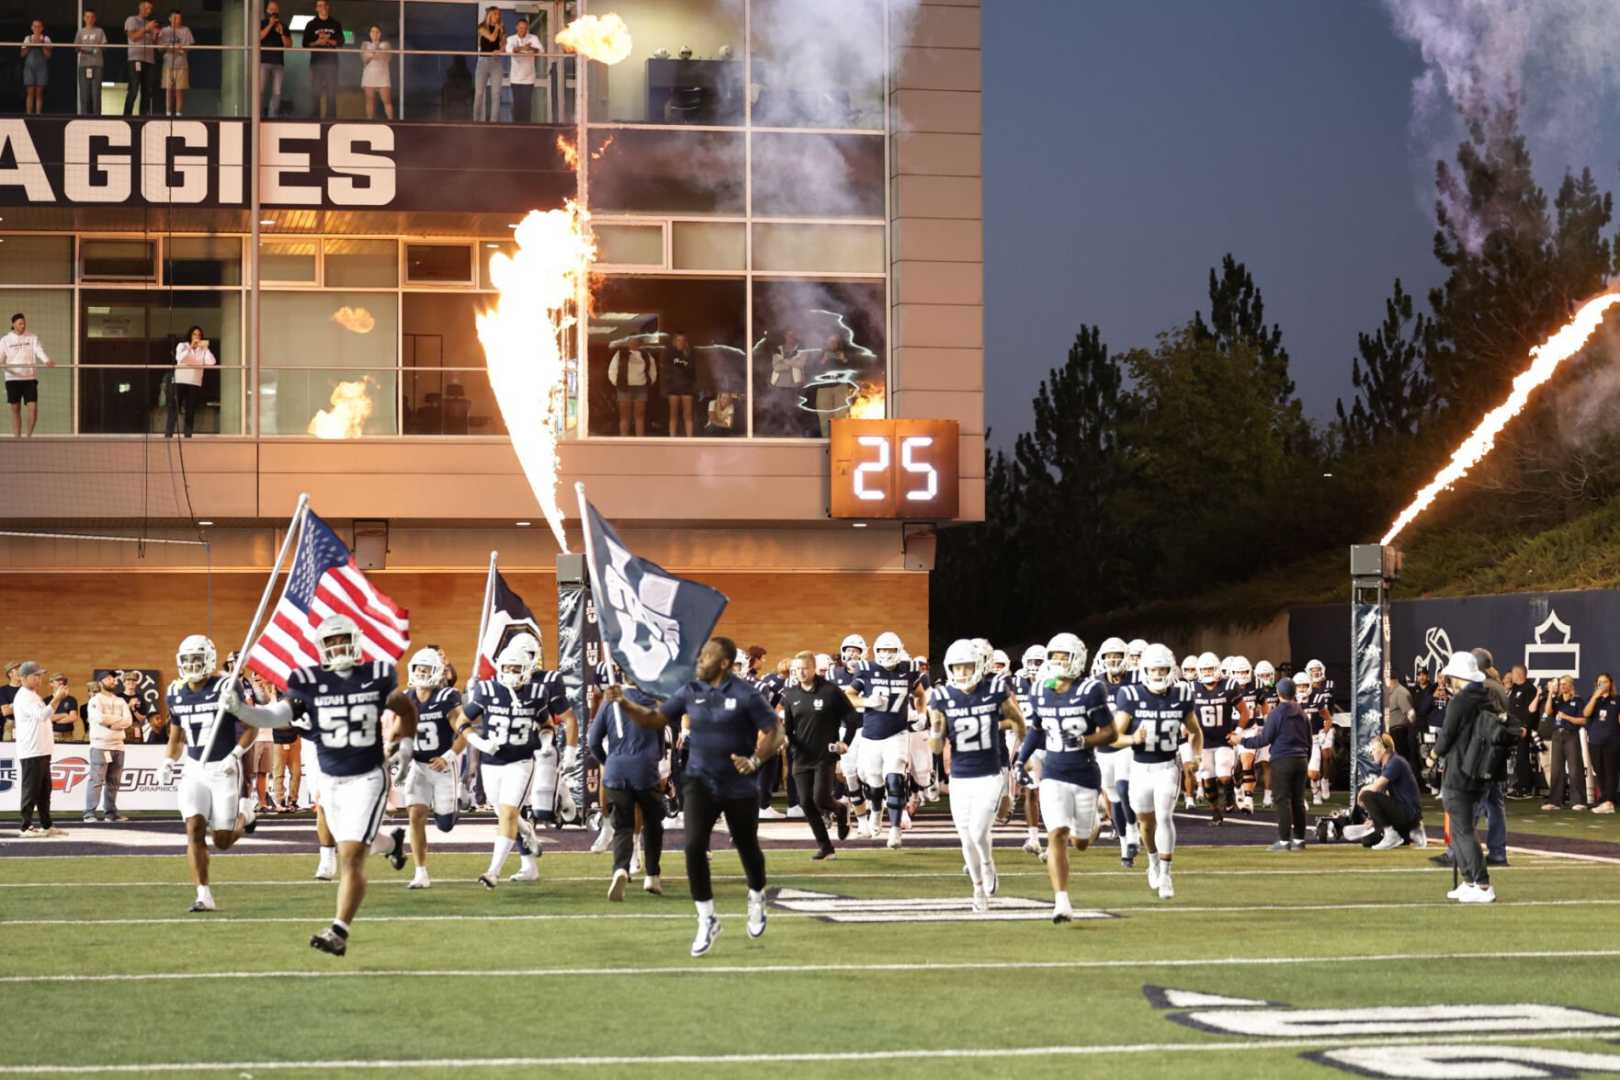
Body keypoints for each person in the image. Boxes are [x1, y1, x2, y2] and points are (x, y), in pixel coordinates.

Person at [223, 614, 415, 954]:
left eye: (344, 639)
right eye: (331, 641)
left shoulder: (376, 677)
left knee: (351, 855)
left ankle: (338, 931)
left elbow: (406, 708)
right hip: (331, 778)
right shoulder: (307, 681)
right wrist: (242, 710)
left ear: (355, 643)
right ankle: (393, 843)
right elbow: (275, 716)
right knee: (355, 846)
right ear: (321, 647)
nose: (338, 646)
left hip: (369, 775)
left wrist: (407, 745)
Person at [606, 636, 784, 958]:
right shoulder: (690, 690)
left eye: (706, 658)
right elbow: (654, 719)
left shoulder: (746, 694)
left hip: (739, 783)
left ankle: (757, 897)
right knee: (693, 847)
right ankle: (706, 917)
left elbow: (776, 731)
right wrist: (624, 703)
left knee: (747, 847)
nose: (699, 662)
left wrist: (756, 760)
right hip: (699, 780)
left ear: (725, 663)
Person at [453, 639, 578, 890]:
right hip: (491, 761)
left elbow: (546, 725)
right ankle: (528, 833)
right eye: (507, 668)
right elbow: (461, 721)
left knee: (509, 813)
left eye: (516, 668)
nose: (511, 673)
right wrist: (477, 741)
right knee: (504, 813)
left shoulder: (536, 692)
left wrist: (545, 741)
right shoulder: (486, 690)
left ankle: (493, 871)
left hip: (520, 761)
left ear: (527, 669)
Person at [1018, 634, 1116, 924]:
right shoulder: (1040, 690)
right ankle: (1061, 902)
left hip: (1084, 772)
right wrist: (1020, 758)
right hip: (1053, 772)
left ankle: (1095, 822)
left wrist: (1085, 740)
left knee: (1080, 841)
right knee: (1057, 832)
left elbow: (1110, 733)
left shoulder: (1091, 690)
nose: (1058, 661)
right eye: (1055, 656)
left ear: (1077, 658)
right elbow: (1036, 729)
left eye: (1064, 656)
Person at [162, 636, 260, 912]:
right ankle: (203, 894)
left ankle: (246, 814)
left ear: (208, 660)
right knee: (193, 828)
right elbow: (176, 735)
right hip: (194, 768)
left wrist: (234, 756)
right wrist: (168, 761)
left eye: (197, 659)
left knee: (223, 841)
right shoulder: (175, 691)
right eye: (187, 659)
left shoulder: (226, 685)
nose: (192, 665)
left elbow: (251, 727)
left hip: (223, 767)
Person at [928, 639, 1025, 912]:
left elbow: (1018, 721)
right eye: (956, 668)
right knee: (965, 836)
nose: (962, 673)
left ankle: (987, 863)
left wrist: (1022, 753)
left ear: (979, 666)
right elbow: (936, 746)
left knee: (978, 830)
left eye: (967, 666)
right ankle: (978, 889)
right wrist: (936, 732)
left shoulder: (995, 689)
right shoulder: (942, 696)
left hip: (990, 772)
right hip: (960, 775)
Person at [1114, 644, 1201, 896]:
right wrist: (1133, 740)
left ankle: (1166, 874)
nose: (1159, 674)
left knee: (1164, 817)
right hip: (1140, 768)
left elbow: (1196, 731)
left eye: (1163, 668)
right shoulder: (1130, 695)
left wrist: (1194, 756)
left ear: (1171, 669)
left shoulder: (1181, 694)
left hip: (1167, 766)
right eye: (1154, 668)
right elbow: (1114, 736)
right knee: (1145, 823)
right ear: (1145, 670)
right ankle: (1152, 861)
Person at [846, 630, 929, 849]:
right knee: (874, 783)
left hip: (897, 734)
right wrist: (866, 702)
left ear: (899, 650)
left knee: (895, 780)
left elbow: (921, 694)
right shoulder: (866, 669)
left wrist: (921, 714)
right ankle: (875, 810)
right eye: (883, 650)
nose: (886, 654)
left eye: (891, 649)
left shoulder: (909, 670)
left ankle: (894, 831)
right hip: (871, 735)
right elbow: (849, 696)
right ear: (876, 651)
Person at [588, 676, 667, 900]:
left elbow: (593, 740)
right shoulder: (655, 701)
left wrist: (609, 761)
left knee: (622, 825)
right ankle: (652, 875)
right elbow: (661, 745)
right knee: (653, 823)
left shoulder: (610, 701)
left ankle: (620, 869)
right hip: (645, 770)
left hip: (616, 770)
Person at [1431, 650, 1496, 903]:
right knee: (1461, 828)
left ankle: (1482, 884)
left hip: (1459, 769)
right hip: (1479, 770)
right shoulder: (1486, 697)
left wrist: (1432, 757)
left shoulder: (1460, 701)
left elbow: (1447, 735)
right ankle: (1470, 881)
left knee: (1463, 830)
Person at [780, 650, 857, 860]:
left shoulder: (830, 691)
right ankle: (826, 847)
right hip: (801, 757)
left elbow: (852, 716)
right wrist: (784, 740)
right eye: (796, 669)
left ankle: (840, 811)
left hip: (825, 755)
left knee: (820, 798)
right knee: (805, 802)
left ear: (813, 668)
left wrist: (845, 742)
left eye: (804, 668)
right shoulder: (790, 695)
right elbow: (787, 728)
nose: (800, 672)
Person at [399, 648, 463, 888]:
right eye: (418, 669)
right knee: (415, 815)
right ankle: (420, 873)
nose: (421, 673)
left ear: (436, 673)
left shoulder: (447, 697)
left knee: (445, 825)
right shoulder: (406, 698)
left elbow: (465, 733)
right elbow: (398, 732)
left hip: (443, 767)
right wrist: (394, 753)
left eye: (426, 669)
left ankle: (458, 797)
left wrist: (448, 756)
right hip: (418, 765)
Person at [1241, 675, 1311, 852]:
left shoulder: (1276, 713)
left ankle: (1284, 841)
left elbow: (1264, 739)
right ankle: (1300, 840)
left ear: (1279, 693)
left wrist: (1242, 741)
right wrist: (1305, 759)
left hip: (1283, 759)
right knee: (1298, 800)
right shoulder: (1302, 713)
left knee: (1281, 800)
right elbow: (1309, 741)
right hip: (1301, 760)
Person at [14, 662, 68, 837]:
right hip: (32, 750)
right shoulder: (24, 696)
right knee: (31, 790)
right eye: (35, 676)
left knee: (44, 791)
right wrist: (57, 697)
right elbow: (42, 715)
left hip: (41, 750)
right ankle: (25, 826)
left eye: (40, 675)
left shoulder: (33, 695)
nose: (39, 679)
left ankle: (47, 825)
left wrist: (56, 699)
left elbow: (47, 715)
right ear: (23, 678)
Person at [1355, 734, 1426, 849]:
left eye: (1374, 749)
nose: (1372, 753)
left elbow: (1375, 789)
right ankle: (1407, 835)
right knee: (1368, 840)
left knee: (1366, 795)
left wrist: (1361, 792)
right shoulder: (1389, 764)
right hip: (1405, 814)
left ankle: (1392, 833)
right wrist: (1373, 819)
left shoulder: (1395, 762)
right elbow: (1381, 796)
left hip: (1408, 813)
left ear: (1384, 749)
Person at [85, 674, 132, 822]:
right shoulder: (95, 700)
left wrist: (111, 723)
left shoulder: (121, 700)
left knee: (114, 782)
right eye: (108, 678)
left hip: (118, 745)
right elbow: (99, 718)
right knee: (96, 780)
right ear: (100, 682)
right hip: (100, 745)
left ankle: (110, 813)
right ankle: (89, 813)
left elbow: (129, 721)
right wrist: (118, 722)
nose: (112, 681)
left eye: (113, 678)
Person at [2, 313, 54, 438]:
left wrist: (46, 360)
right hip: (12, 379)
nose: (23, 325)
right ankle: (17, 438)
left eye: (24, 323)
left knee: (33, 409)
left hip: (29, 378)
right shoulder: (5, 340)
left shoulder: (32, 338)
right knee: (15, 410)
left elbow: (39, 351)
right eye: (20, 323)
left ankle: (28, 437)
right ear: (13, 324)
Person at [1542, 675, 1586, 811]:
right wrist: (1550, 693)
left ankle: (1578, 801)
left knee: (1574, 769)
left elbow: (1583, 720)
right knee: (1556, 769)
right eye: (1561, 684)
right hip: (1557, 735)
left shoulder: (1577, 700)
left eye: (1565, 684)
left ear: (1571, 685)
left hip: (1571, 735)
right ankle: (1555, 801)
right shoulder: (1557, 700)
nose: (1562, 686)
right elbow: (1548, 712)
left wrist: (1567, 717)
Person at [1583, 673, 1617, 814]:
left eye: (1605, 681)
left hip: (1613, 741)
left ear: (1610, 683)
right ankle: (1603, 800)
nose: (1602, 684)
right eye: (1600, 682)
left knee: (1611, 772)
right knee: (1600, 771)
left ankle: (1609, 801)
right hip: (1595, 741)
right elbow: (1586, 713)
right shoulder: (1593, 699)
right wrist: (1595, 697)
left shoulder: (1617, 699)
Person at [303, 0, 344, 119]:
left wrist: (328, 40)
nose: (323, 8)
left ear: (328, 7)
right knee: (316, 91)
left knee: (331, 92)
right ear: (316, 8)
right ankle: (316, 117)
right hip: (316, 63)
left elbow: (341, 42)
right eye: (319, 6)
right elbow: (305, 43)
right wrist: (318, 42)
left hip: (332, 63)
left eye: (324, 5)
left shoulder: (336, 23)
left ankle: (331, 118)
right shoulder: (311, 24)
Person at [607, 341, 656, 436]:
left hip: (641, 387)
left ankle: (639, 442)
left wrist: (650, 381)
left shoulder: (646, 354)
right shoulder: (620, 353)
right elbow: (612, 369)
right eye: (631, 341)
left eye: (635, 341)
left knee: (640, 416)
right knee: (625, 416)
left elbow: (652, 369)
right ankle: (624, 441)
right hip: (624, 387)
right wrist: (616, 383)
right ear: (628, 342)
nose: (633, 343)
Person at [123, 1, 160, 116]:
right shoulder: (132, 20)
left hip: (149, 60)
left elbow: (154, 43)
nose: (149, 11)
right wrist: (146, 28)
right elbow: (133, 37)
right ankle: (126, 116)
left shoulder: (150, 23)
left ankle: (143, 117)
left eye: (150, 9)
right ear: (140, 7)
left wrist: (157, 34)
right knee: (134, 89)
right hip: (136, 58)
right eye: (147, 8)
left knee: (147, 91)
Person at [156, 9, 193, 116]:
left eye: (179, 19)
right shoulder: (164, 31)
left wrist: (180, 49)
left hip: (182, 64)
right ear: (170, 19)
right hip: (168, 64)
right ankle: (168, 113)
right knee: (168, 90)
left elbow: (189, 47)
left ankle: (178, 114)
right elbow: (159, 48)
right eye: (175, 18)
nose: (178, 21)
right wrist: (170, 48)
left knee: (179, 91)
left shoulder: (186, 30)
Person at [505, 16, 541, 122]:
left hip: (528, 78)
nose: (523, 30)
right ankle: (516, 127)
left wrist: (530, 48)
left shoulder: (533, 38)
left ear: (527, 28)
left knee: (526, 104)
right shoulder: (511, 39)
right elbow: (509, 50)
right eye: (520, 28)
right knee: (517, 104)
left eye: (525, 28)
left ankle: (527, 127)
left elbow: (541, 50)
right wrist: (522, 48)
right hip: (515, 78)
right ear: (516, 27)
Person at [259, 1, 291, 117]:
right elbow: (258, 38)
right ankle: (259, 116)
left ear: (278, 11)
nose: (273, 11)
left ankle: (273, 116)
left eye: (275, 9)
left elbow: (289, 45)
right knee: (260, 91)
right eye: (271, 8)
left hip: (278, 63)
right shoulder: (262, 23)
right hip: (263, 62)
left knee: (277, 92)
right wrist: (270, 25)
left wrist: (282, 33)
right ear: (267, 11)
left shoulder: (284, 26)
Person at [473, 6, 504, 122]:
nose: (498, 16)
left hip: (496, 62)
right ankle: (476, 121)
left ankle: (493, 122)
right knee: (479, 93)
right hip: (483, 62)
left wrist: (501, 49)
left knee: (496, 94)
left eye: (499, 14)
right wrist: (497, 28)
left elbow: (503, 43)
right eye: (496, 13)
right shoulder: (482, 27)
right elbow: (491, 38)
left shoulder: (501, 28)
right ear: (490, 14)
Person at [663, 334, 697, 436]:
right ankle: (672, 437)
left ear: (686, 342)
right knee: (673, 414)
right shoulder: (670, 354)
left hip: (687, 388)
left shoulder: (690, 354)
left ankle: (689, 438)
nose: (680, 342)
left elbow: (693, 372)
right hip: (673, 388)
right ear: (674, 342)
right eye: (678, 340)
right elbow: (666, 371)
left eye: (682, 340)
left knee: (688, 414)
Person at [75, 11, 108, 115]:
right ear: (84, 18)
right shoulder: (80, 32)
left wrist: (98, 48)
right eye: (87, 16)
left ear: (95, 19)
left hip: (97, 65)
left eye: (92, 17)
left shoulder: (100, 31)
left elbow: (104, 46)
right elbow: (76, 47)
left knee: (96, 93)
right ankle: (84, 116)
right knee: (84, 93)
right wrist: (87, 50)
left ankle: (97, 116)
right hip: (83, 65)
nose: (90, 19)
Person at [359, 24, 392, 119]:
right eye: (372, 32)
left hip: (383, 76)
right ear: (369, 34)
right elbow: (365, 59)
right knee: (369, 101)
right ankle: (370, 122)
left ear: (380, 34)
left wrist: (373, 53)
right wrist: (375, 53)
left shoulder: (386, 44)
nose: (375, 34)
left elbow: (385, 57)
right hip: (369, 76)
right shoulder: (365, 44)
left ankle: (391, 123)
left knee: (387, 101)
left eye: (377, 32)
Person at [21, 20, 52, 115]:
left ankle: (38, 115)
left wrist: (41, 44)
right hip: (29, 68)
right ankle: (29, 115)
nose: (36, 28)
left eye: (39, 26)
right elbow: (22, 54)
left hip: (41, 68)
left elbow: (48, 55)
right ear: (31, 27)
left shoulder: (46, 39)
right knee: (30, 92)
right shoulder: (27, 38)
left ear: (42, 28)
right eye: (35, 26)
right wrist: (30, 45)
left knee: (39, 93)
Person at [51, 675, 82, 743]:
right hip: (53, 734)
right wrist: (64, 715)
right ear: (51, 683)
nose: (61, 682)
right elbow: (48, 717)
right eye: (58, 680)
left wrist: (57, 720)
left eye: (63, 681)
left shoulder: (71, 699)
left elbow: (73, 717)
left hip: (68, 734)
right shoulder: (47, 700)